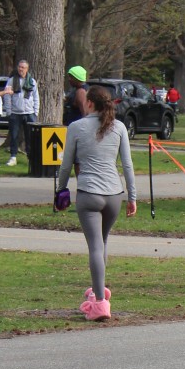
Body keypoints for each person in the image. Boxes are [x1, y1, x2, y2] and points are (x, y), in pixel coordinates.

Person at [54, 83, 136, 321]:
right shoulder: (118, 127)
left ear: (89, 103)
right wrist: (132, 196)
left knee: (95, 247)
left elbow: (66, 165)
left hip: (89, 193)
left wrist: (61, 190)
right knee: (103, 242)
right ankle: (98, 290)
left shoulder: (76, 127)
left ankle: (100, 302)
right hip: (114, 194)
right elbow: (127, 165)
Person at [3, 59, 39, 166]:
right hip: (15, 113)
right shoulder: (11, 81)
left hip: (29, 113)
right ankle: (13, 157)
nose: (20, 69)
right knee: (14, 136)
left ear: (27, 69)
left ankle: (30, 157)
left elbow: (36, 97)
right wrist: (9, 111)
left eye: (23, 67)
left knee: (30, 137)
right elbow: (7, 96)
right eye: (19, 67)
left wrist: (35, 112)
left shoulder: (32, 81)